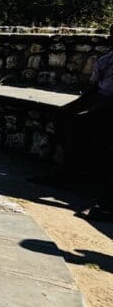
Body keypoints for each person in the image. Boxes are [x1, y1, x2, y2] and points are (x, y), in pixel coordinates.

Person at [61, 24, 113, 221]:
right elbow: (93, 90)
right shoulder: (106, 61)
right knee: (69, 119)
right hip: (103, 103)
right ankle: (70, 172)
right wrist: (71, 108)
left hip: (107, 107)